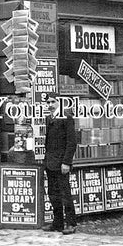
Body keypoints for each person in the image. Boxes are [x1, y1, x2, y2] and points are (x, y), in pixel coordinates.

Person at [42, 92, 78, 235]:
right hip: (50, 163)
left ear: (59, 103)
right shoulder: (49, 118)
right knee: (53, 194)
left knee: (65, 194)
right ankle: (57, 223)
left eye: (52, 102)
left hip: (61, 163)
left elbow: (71, 142)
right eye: (48, 103)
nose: (50, 105)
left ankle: (71, 223)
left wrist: (66, 162)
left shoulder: (67, 118)